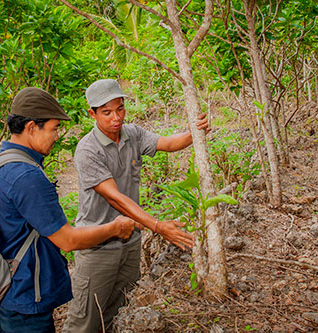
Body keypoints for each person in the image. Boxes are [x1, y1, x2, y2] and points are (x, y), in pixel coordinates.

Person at [63, 79, 211, 333]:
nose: (116, 118)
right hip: (97, 246)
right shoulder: (88, 150)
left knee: (120, 312)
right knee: (84, 322)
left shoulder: (133, 134)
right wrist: (157, 226)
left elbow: (168, 143)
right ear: (92, 114)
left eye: (119, 109)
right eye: (106, 112)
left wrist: (194, 130)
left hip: (130, 243)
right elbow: (114, 197)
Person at [0, 87, 141, 333]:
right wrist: (116, 227)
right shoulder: (25, 176)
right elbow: (68, 240)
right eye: (53, 129)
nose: (57, 136)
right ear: (31, 127)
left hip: (17, 289)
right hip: (27, 297)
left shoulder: (4, 159)